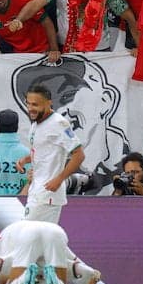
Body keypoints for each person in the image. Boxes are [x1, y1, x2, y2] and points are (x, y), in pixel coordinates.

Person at [22, 84, 85, 223]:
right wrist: (24, 160)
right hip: (35, 190)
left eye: (35, 104)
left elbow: (79, 155)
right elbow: (44, 153)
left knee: (27, 231)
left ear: (49, 103)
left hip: (47, 193)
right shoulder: (35, 123)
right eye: (28, 103)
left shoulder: (59, 123)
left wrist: (59, 179)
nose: (30, 108)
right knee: (39, 235)